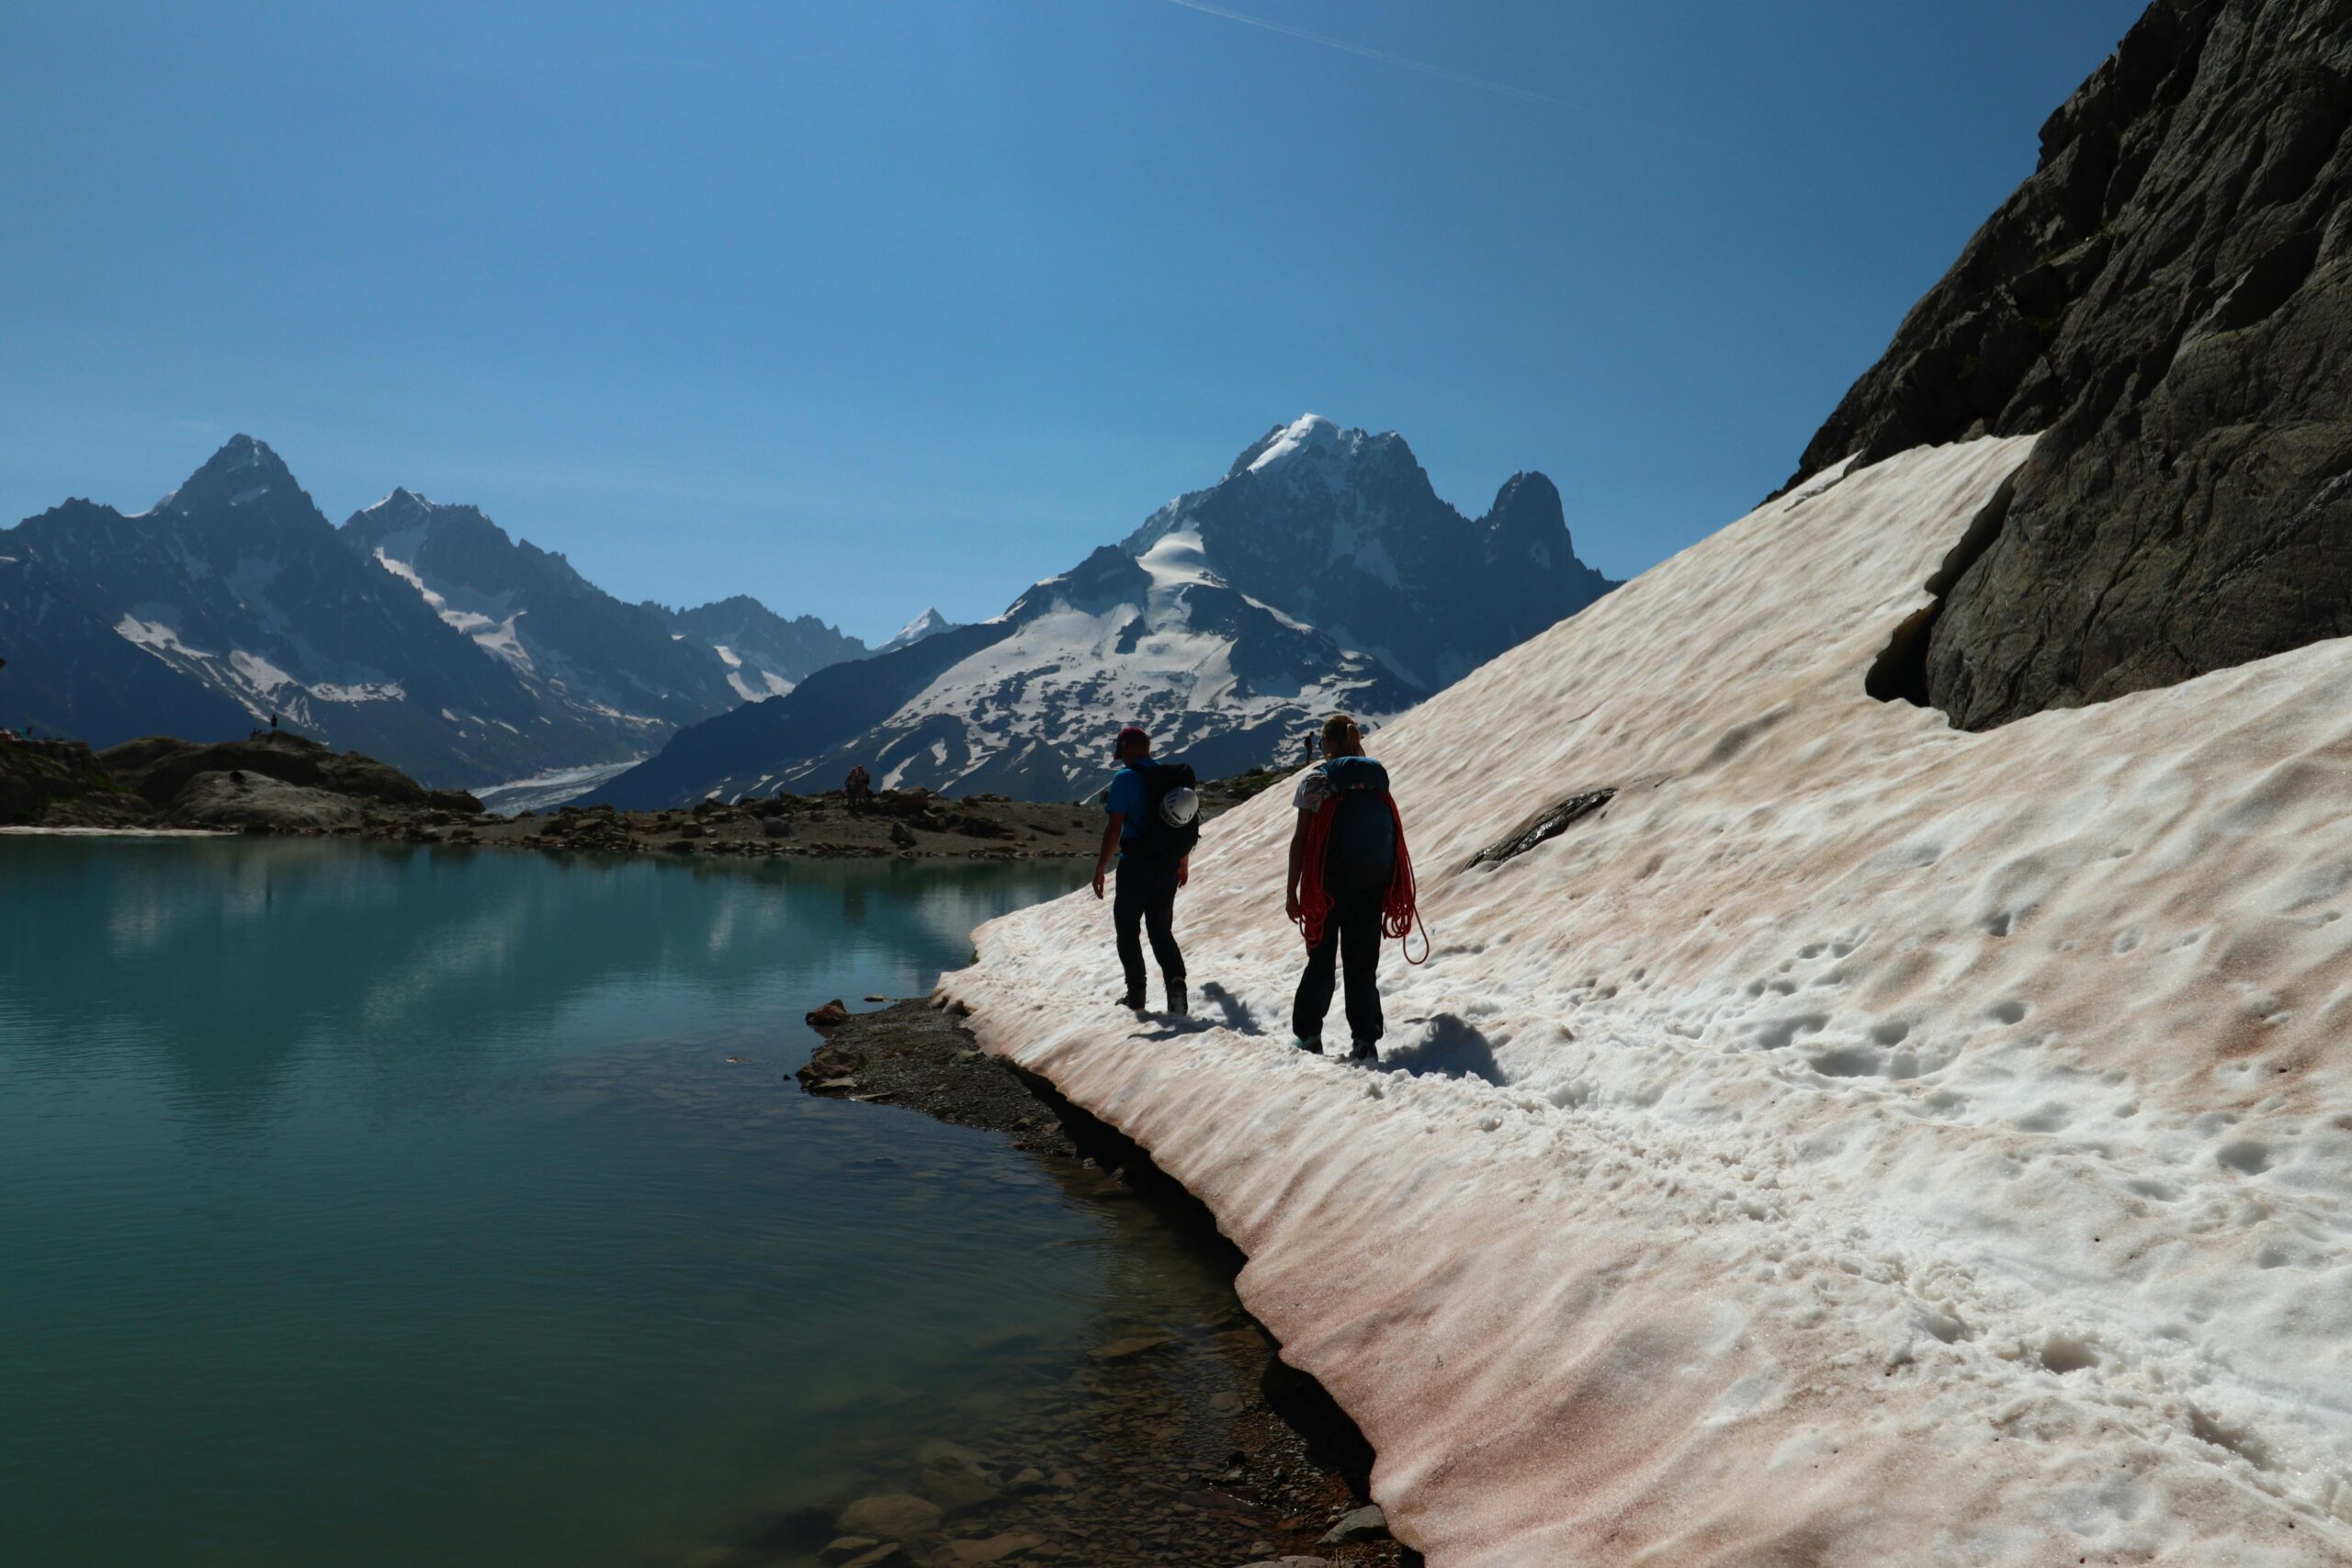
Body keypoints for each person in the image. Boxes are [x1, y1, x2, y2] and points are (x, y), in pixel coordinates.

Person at [1287, 713, 1400, 1061]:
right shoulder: (1375, 777)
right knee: (1362, 961)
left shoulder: (1317, 781)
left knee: (1321, 959)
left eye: (1322, 741)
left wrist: (1292, 890)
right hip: (1372, 880)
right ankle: (1365, 1040)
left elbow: (1302, 839)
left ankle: (1309, 1035)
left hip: (1329, 881)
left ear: (1330, 743)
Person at [1091, 725, 1197, 1014]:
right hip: (1168, 865)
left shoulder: (1126, 778)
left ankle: (1136, 995)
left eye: (1120, 752)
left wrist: (1101, 867)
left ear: (1125, 748)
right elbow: (1182, 823)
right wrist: (1182, 861)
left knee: (1127, 929)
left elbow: (1115, 827)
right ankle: (1176, 984)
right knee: (1160, 930)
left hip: (1135, 864)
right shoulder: (1169, 777)